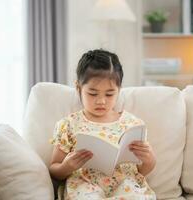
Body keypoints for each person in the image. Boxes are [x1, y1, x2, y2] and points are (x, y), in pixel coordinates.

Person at [49, 49, 156, 200]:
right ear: (79, 88)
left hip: (125, 183)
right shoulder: (68, 124)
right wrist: (67, 167)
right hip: (84, 185)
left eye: (109, 94)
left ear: (119, 90)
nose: (101, 101)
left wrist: (149, 159)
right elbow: (54, 168)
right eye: (92, 94)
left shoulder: (133, 124)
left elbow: (142, 171)